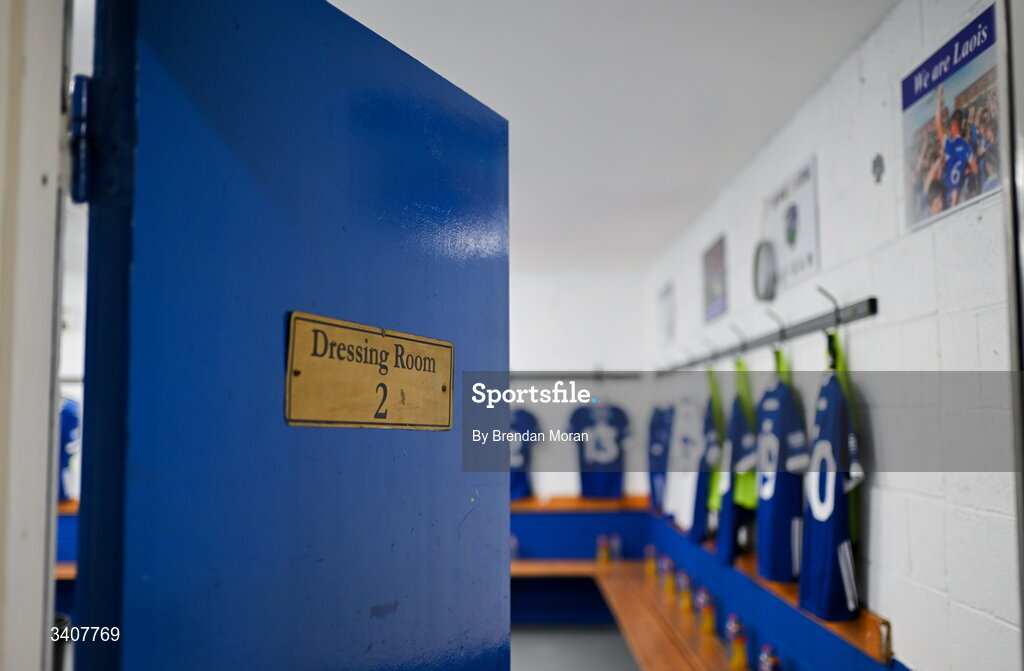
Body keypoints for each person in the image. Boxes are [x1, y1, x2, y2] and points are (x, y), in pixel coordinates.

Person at [935, 84, 978, 208]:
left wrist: (938, 98)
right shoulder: (966, 146)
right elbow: (975, 169)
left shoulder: (949, 144)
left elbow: (937, 122)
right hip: (960, 195)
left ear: (953, 125)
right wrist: (964, 171)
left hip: (948, 197)